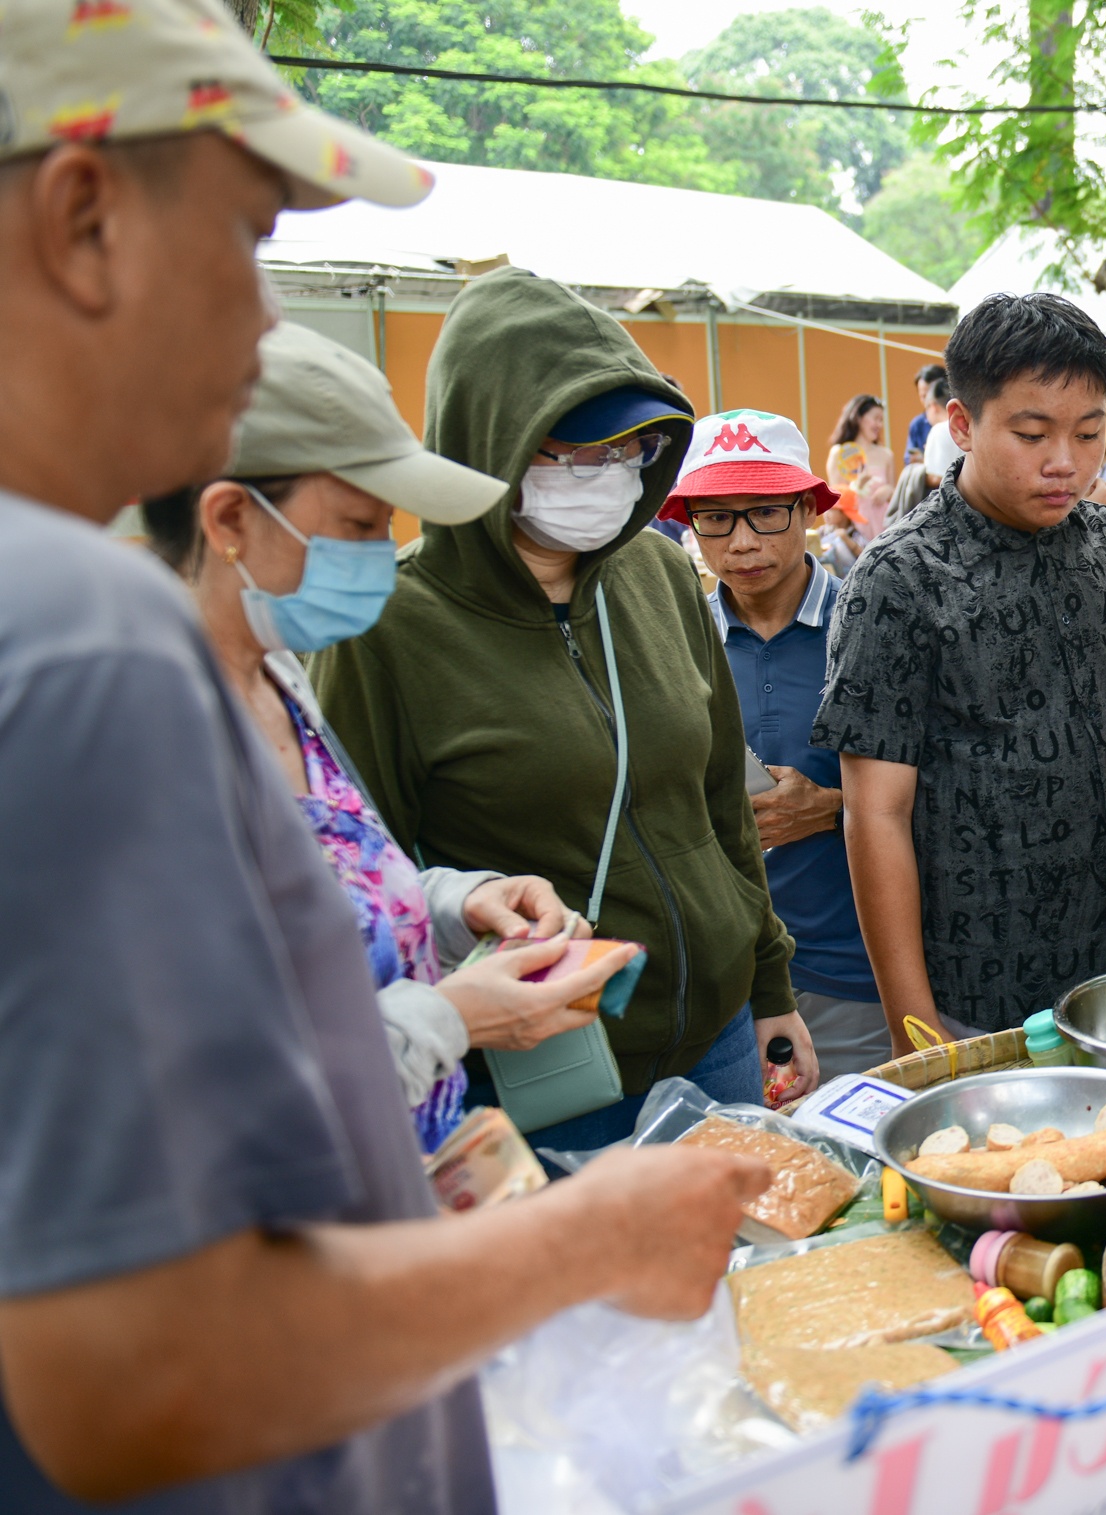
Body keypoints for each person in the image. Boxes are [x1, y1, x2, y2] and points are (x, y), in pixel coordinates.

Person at [0, 6, 768, 1509]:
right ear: (84, 218)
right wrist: (585, 1234)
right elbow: (137, 1361)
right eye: (244, 241)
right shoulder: (86, 642)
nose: (256, 320)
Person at [312, 268, 818, 1154]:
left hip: (721, 1041)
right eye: (576, 455)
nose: (606, 479)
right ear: (488, 449)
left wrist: (768, 983)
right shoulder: (386, 628)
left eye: (627, 455)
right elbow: (365, 883)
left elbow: (720, 807)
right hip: (553, 1070)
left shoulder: (660, 577)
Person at [141, 322, 638, 1152]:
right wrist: (451, 1017)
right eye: (359, 523)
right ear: (230, 518)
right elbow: (207, 1079)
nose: (382, 552)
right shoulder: (144, 741)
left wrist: (454, 902)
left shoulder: (278, 679)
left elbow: (336, 889)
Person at [813, 293, 1106, 1047]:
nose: (1065, 462)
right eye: (1032, 433)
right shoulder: (897, 580)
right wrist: (915, 1027)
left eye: (1089, 432)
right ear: (963, 423)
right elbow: (875, 815)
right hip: (990, 989)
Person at [676, 410, 890, 1081]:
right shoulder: (672, 643)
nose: (741, 541)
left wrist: (832, 807)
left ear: (807, 509)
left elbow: (953, 787)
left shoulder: (871, 626)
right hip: (717, 986)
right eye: (716, 517)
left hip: (851, 975)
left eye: (764, 512)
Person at [823, 392, 893, 538]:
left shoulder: (886, 455)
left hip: (884, 525)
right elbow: (837, 499)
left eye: (881, 420)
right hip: (854, 528)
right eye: (875, 419)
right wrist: (855, 488)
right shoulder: (839, 453)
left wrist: (888, 490)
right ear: (858, 418)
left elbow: (894, 493)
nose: (879, 425)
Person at [919, 376, 962, 489]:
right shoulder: (966, 427)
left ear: (933, 406)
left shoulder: (939, 430)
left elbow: (937, 478)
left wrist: (917, 474)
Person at [904, 362, 946, 470]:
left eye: (930, 394)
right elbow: (908, 460)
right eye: (923, 396)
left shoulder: (962, 420)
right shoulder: (917, 425)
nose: (928, 401)